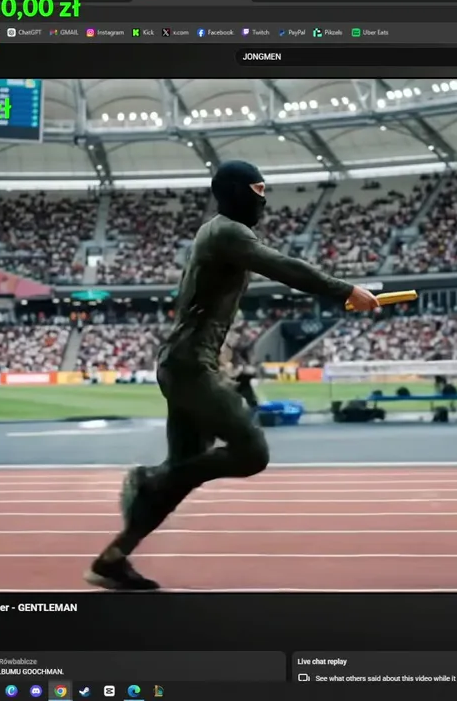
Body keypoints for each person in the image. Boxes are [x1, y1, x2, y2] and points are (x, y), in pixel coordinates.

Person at [84, 159, 380, 590]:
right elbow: (283, 266)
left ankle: (113, 558)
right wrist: (346, 290)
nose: (265, 200)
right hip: (190, 366)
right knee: (251, 452)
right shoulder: (227, 232)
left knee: (182, 473)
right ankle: (150, 479)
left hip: (185, 363)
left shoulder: (219, 233)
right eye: (259, 190)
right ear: (239, 192)